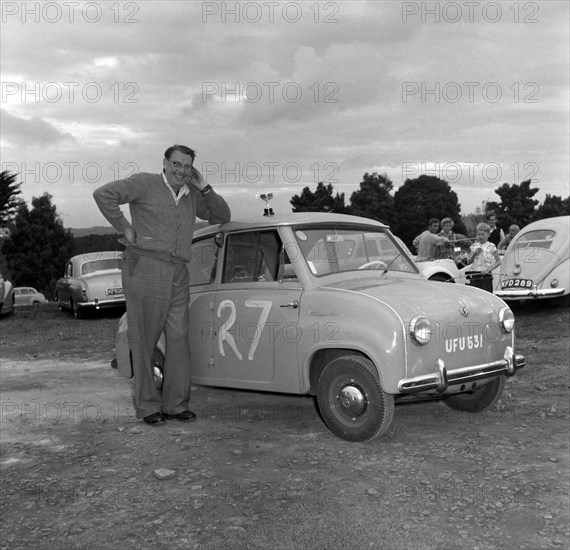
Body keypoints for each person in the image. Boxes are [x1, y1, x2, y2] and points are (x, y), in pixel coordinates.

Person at [93, 145, 231, 426]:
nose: (181, 171)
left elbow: (222, 216)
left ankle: (176, 405)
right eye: (177, 164)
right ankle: (147, 407)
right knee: (144, 339)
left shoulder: (192, 193)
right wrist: (124, 227)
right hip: (144, 267)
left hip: (179, 271)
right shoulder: (144, 182)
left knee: (179, 340)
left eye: (187, 166)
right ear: (165, 163)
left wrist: (203, 186)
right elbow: (103, 194)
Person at [466, 222, 501, 293]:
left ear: (488, 235)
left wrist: (488, 270)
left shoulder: (491, 246)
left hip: (486, 276)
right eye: (479, 234)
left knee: (487, 295)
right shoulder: (473, 246)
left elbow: (498, 262)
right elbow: (468, 262)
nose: (480, 237)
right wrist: (474, 254)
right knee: (476, 295)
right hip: (475, 275)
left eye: (483, 234)